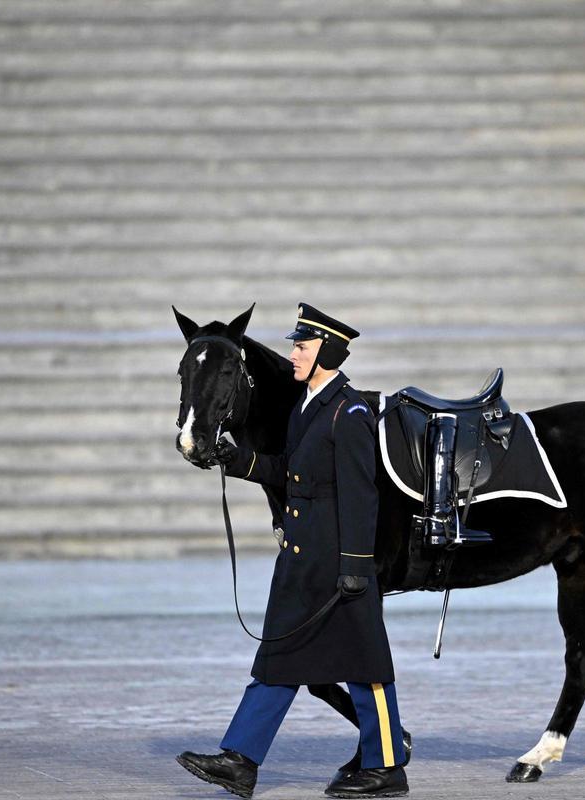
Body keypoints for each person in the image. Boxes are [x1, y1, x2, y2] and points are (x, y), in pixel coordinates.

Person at [178, 304, 410, 799]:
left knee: (365, 664)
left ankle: (388, 765)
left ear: (326, 352)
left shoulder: (349, 413)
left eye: (302, 347)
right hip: (303, 556)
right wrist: (239, 460)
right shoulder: (307, 407)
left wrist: (355, 568)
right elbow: (290, 473)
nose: (293, 354)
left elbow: (361, 494)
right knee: (278, 656)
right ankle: (239, 761)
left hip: (336, 559)